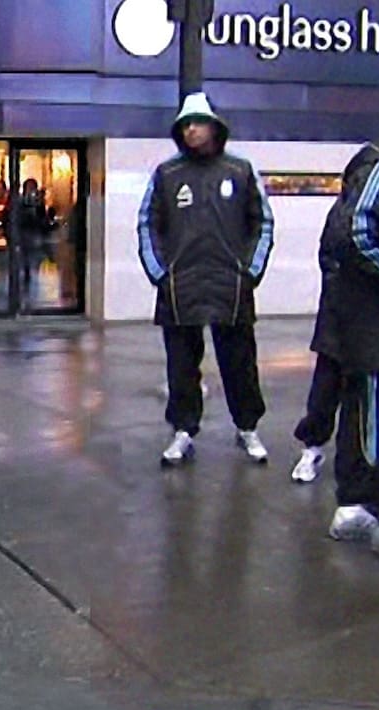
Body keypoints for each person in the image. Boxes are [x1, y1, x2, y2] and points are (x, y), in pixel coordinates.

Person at [137, 92, 275, 467]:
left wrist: (249, 273)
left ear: (214, 127)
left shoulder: (240, 171)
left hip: (230, 287)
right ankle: (183, 430)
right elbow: (147, 224)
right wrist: (160, 275)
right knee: (181, 365)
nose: (191, 129)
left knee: (241, 362)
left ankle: (248, 427)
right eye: (186, 124)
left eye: (197, 122)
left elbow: (262, 222)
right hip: (180, 289)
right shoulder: (167, 175)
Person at [317, 142, 379, 545]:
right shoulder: (375, 176)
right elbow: (355, 231)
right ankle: (361, 502)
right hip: (368, 321)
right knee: (368, 405)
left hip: (359, 321)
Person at [290, 213, 343, 483]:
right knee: (328, 385)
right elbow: (329, 255)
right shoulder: (351, 205)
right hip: (344, 314)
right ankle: (313, 447)